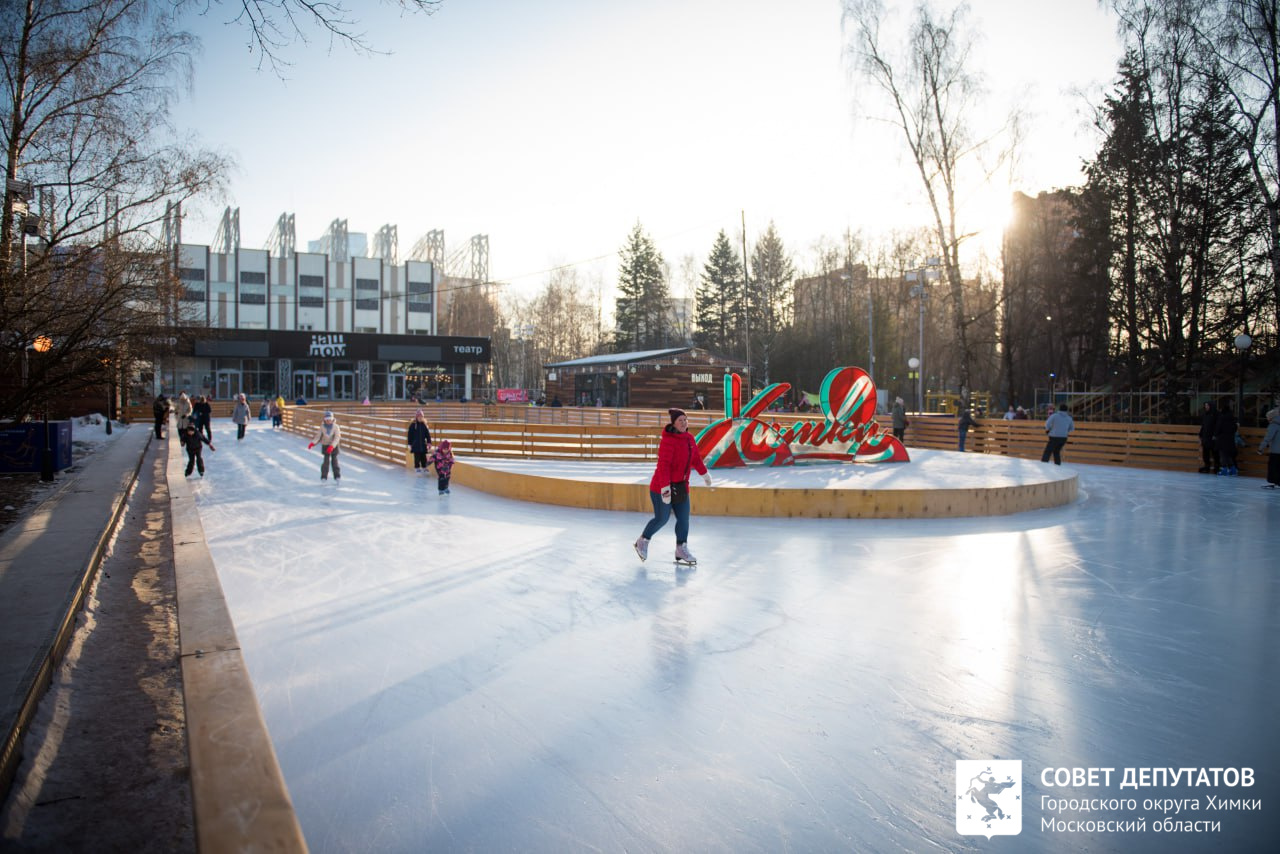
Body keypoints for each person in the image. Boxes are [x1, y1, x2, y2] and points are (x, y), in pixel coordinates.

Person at [633, 408, 712, 566]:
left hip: (681, 487)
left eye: (685, 420)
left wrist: (705, 474)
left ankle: (681, 549)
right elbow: (664, 466)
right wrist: (665, 489)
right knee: (662, 518)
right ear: (674, 424)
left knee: (684, 519)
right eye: (680, 420)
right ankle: (643, 541)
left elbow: (695, 459)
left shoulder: (689, 438)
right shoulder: (668, 441)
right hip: (661, 486)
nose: (684, 423)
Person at [308, 411, 342, 481]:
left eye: (330, 419)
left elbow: (337, 437)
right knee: (325, 462)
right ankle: (324, 477)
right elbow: (318, 436)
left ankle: (337, 476)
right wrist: (313, 443)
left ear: (332, 419)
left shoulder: (336, 427)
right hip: (325, 445)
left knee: (334, 462)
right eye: (327, 420)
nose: (328, 421)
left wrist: (332, 446)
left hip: (334, 446)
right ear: (324, 420)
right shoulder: (322, 427)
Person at [1214, 400, 1240, 476]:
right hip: (1230, 439)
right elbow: (1235, 428)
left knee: (1222, 455)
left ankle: (1224, 469)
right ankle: (1233, 469)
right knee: (1228, 455)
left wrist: (1215, 434)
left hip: (1222, 439)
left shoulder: (1222, 418)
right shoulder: (1232, 418)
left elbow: (1218, 428)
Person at [1257, 407, 1280, 489]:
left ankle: (1275, 482)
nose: (1267, 419)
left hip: (1275, 451)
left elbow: (1268, 438)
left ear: (1271, 417)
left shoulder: (1274, 425)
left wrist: (1260, 448)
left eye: (1268, 417)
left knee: (1273, 467)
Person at [407, 409, 433, 474]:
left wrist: (429, 442)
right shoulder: (413, 425)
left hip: (423, 444)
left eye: (421, 417)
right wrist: (409, 444)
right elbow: (410, 435)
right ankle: (417, 468)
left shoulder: (424, 425)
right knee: (417, 458)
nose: (420, 418)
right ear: (416, 417)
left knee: (423, 457)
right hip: (416, 445)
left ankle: (424, 467)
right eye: (419, 417)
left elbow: (428, 435)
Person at [1198, 401, 1220, 473]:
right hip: (1206, 437)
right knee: (1206, 454)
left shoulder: (1216, 414)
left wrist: (1215, 435)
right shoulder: (1205, 415)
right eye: (1205, 405)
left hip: (1213, 438)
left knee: (1215, 454)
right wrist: (1200, 435)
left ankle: (1217, 468)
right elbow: (1203, 425)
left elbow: (1218, 426)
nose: (1206, 407)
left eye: (1207, 405)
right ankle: (1206, 467)